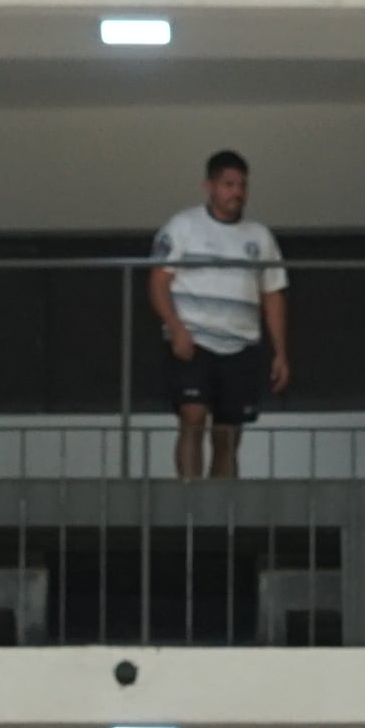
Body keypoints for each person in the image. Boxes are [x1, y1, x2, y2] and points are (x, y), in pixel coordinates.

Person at [145, 149, 290, 481]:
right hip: (192, 341)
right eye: (228, 184)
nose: (236, 192)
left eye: (242, 185)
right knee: (192, 417)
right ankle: (190, 502)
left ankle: (220, 513)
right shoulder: (183, 226)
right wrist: (176, 328)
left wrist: (281, 353)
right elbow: (157, 281)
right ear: (208, 186)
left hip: (241, 346)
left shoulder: (260, 237)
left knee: (228, 435)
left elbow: (273, 295)